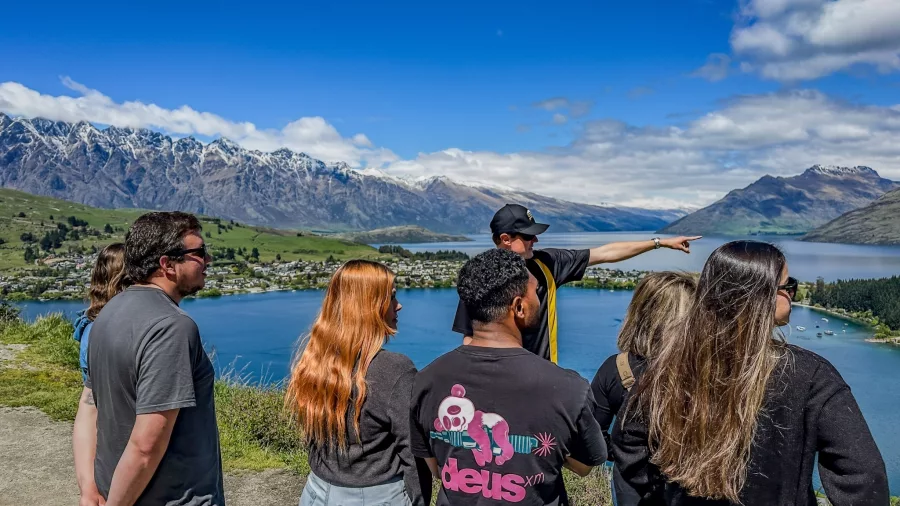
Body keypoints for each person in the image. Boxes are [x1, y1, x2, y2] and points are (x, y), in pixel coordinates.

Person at [612, 241, 889, 506]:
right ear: (762, 295)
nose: (792, 293)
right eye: (787, 286)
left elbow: (630, 451)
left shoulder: (667, 366)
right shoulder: (811, 375)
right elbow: (863, 477)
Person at [411, 248, 608, 505]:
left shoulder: (426, 380)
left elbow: (436, 469)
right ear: (518, 307)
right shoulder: (569, 388)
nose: (539, 299)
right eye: (535, 292)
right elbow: (583, 466)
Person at [86, 211, 224, 506]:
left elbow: (89, 409)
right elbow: (146, 446)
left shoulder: (108, 313)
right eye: (199, 252)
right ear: (167, 264)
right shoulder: (172, 327)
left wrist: (91, 489)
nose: (208, 260)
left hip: (118, 488)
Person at [452, 203, 700, 363]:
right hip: (501, 377)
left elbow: (605, 253)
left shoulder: (547, 263)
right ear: (506, 239)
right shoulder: (481, 277)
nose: (535, 239)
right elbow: (470, 339)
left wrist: (660, 243)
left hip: (542, 374)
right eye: (528, 236)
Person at [285, 259, 429, 506]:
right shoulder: (394, 369)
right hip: (376, 496)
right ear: (369, 307)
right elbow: (413, 451)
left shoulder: (315, 361)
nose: (399, 305)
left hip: (316, 491)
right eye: (391, 297)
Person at [589, 271, 696, 506]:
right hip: (690, 488)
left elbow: (592, 432)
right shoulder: (703, 370)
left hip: (630, 488)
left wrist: (621, 453)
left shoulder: (617, 368)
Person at [72, 243, 130, 506]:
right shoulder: (114, 332)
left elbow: (88, 407)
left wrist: (87, 486)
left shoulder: (91, 328)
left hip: (107, 464)